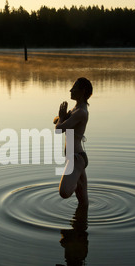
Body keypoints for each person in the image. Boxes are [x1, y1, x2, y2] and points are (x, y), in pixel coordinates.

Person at [54, 77, 92, 206]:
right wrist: (62, 116)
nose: (70, 90)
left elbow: (59, 129)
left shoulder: (80, 112)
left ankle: (75, 184)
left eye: (74, 88)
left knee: (64, 192)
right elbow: (58, 121)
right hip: (75, 157)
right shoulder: (75, 109)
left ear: (82, 91)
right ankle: (81, 224)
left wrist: (61, 118)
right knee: (83, 202)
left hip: (76, 158)